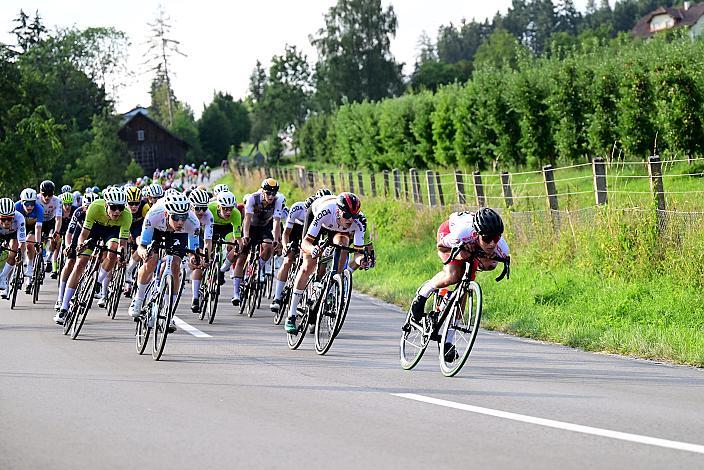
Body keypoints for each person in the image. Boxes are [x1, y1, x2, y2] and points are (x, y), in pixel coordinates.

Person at [408, 208, 509, 359]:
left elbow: (495, 264)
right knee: (453, 276)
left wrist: (490, 260)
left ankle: (447, 342)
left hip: (472, 247)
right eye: (488, 239)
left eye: (496, 238)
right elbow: (441, 247)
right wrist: (461, 251)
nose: (492, 243)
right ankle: (422, 294)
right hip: (450, 235)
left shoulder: (500, 246)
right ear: (477, 234)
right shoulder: (463, 233)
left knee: (465, 290)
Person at [284, 192, 368, 334]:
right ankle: (291, 316)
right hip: (319, 219)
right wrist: (313, 249)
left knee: (343, 244)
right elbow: (306, 242)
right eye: (347, 215)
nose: (350, 220)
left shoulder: (358, 222)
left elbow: (358, 253)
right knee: (308, 265)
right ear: (338, 210)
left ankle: (333, 282)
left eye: (354, 216)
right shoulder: (327, 211)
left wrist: (362, 261)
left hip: (338, 231)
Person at [54, 187, 131, 325]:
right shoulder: (95, 207)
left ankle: (97, 283)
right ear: (106, 205)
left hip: (112, 232)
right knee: (79, 264)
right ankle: (64, 307)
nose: (117, 211)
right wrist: (81, 245)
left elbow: (122, 243)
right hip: (94, 229)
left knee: (113, 250)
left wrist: (122, 255)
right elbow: (83, 234)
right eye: (114, 207)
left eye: (120, 207)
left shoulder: (126, 215)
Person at [128, 193, 201, 333]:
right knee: (151, 261)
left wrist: (193, 258)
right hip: (157, 230)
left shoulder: (192, 221)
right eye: (176, 218)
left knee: (175, 265)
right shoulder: (154, 214)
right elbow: (142, 244)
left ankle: (169, 313)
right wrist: (143, 250)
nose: (180, 222)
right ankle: (138, 299)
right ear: (167, 213)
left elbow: (194, 251)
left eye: (183, 217)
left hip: (179, 236)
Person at [270, 188, 332, 313]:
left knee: (312, 264)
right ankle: (277, 297)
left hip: (312, 236)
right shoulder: (298, 208)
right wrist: (285, 245)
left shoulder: (325, 215)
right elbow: (286, 233)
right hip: (295, 232)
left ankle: (307, 296)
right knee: (288, 259)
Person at [231, 179, 284, 306]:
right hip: (251, 227)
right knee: (242, 256)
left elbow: (276, 222)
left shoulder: (278, 200)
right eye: (268, 193)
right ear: (262, 191)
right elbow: (247, 219)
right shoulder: (253, 198)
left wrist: (277, 239)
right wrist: (246, 236)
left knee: (269, 246)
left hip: (265, 227)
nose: (271, 196)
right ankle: (236, 293)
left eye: (273, 193)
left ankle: (256, 267)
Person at [55, 192, 97, 310]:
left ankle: (83, 289)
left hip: (92, 237)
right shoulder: (78, 212)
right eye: (88, 207)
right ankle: (60, 298)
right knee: (70, 262)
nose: (91, 210)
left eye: (93, 207)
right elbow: (69, 233)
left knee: (87, 263)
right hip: (78, 235)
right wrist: (68, 246)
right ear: (84, 207)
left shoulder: (100, 215)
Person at [207, 191, 243, 304]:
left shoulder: (236, 214)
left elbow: (237, 237)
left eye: (230, 209)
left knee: (236, 245)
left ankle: (222, 268)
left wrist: (238, 247)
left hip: (227, 229)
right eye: (224, 208)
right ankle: (208, 271)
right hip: (212, 227)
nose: (228, 212)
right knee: (209, 247)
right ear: (218, 206)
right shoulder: (210, 208)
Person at [188, 189, 213, 313]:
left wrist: (206, 257)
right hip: (186, 232)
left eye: (204, 208)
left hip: (199, 234)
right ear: (191, 206)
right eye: (198, 208)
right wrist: (190, 254)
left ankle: (195, 299)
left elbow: (208, 240)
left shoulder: (208, 216)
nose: (201, 211)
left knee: (199, 262)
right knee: (193, 258)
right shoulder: (185, 213)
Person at [15, 188, 44, 292]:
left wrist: (38, 243)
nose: (30, 207)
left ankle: (30, 266)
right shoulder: (16, 207)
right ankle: (21, 262)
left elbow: (38, 228)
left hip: (33, 229)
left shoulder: (39, 209)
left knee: (29, 243)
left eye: (32, 204)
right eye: (27, 204)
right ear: (22, 202)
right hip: (20, 227)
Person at [0, 198, 26, 299]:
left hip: (13, 234)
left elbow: (22, 242)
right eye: (3, 219)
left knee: (14, 251)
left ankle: (3, 278)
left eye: (9, 219)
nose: (6, 222)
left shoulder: (20, 218)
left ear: (14, 216)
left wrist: (20, 255)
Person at [36, 181, 63, 279]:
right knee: (38, 240)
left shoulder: (57, 201)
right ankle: (39, 255)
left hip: (51, 221)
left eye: (50, 194)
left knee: (53, 238)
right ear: (40, 193)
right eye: (44, 194)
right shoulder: (36, 199)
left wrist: (56, 231)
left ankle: (49, 258)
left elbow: (58, 219)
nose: (47, 197)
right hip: (39, 220)